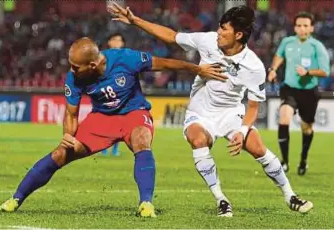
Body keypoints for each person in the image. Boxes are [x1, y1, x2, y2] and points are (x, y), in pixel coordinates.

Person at [109, 3, 313, 217]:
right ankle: (221, 199)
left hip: (231, 113)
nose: (219, 32)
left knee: (258, 147)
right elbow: (172, 36)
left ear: (239, 34)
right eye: (219, 27)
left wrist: (242, 132)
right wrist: (135, 21)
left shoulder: (254, 67)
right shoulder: (207, 41)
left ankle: (290, 196)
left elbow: (253, 106)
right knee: (198, 140)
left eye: (224, 29)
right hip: (201, 112)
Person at [0, 37, 227, 217]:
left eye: (76, 67)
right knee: (60, 153)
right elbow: (71, 113)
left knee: (141, 140)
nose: (72, 70)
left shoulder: (124, 59)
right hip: (102, 120)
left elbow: (164, 63)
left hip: (133, 113)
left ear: (92, 64)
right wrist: (67, 136)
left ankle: (146, 203)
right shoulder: (74, 78)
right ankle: (16, 198)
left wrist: (197, 69)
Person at [267, 12, 330, 175]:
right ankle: (285, 161)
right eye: (299, 26)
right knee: (284, 115)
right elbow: (278, 56)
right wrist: (273, 70)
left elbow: (325, 71)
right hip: (289, 88)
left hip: (309, 91)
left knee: (306, 127)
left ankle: (303, 159)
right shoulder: (287, 42)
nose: (302, 29)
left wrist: (308, 72)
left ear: (311, 28)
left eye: (305, 26)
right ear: (294, 27)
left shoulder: (317, 46)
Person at [101, 33, 127, 156]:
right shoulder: (102, 57)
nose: (117, 42)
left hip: (122, 93)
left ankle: (115, 149)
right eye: (114, 40)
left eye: (119, 40)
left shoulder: (128, 57)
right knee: (105, 122)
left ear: (122, 44)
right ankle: (104, 147)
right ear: (109, 42)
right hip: (105, 92)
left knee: (119, 122)